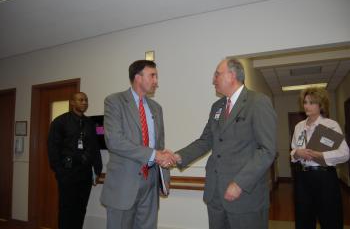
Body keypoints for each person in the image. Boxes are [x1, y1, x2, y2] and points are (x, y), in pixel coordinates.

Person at [173, 58, 277, 229]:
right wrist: (177, 156)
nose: (213, 80)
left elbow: (266, 150)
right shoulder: (217, 107)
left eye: (217, 74)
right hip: (216, 195)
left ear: (232, 75)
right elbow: (206, 140)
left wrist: (239, 183)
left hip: (244, 196)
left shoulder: (258, 102)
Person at [100, 60, 175, 229]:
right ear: (138, 77)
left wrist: (165, 178)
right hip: (123, 184)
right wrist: (154, 155)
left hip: (151, 184)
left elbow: (160, 146)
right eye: (152, 76)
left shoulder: (157, 108)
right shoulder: (114, 101)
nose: (156, 81)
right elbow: (114, 141)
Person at [290, 87, 349, 229]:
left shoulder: (330, 125)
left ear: (320, 105)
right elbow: (293, 150)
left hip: (325, 178)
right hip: (303, 178)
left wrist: (321, 155)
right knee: (304, 219)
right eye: (305, 102)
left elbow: (345, 153)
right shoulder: (299, 126)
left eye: (311, 102)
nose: (306, 106)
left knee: (330, 218)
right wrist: (297, 153)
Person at [48, 92, 103, 229]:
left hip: (85, 174)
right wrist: (59, 171)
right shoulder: (60, 122)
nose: (84, 102)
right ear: (72, 102)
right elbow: (52, 148)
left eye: (86, 100)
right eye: (80, 100)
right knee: (66, 209)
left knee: (81, 208)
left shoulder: (90, 124)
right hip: (67, 173)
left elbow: (95, 148)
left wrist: (97, 169)